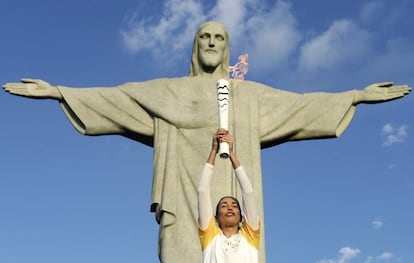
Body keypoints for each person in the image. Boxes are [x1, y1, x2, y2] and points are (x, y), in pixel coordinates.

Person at [2, 21, 411, 263]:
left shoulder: (248, 96)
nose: (212, 43)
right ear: (195, 47)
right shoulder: (166, 92)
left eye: (219, 37)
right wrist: (58, 91)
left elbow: (300, 108)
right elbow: (117, 98)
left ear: (227, 46)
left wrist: (354, 95)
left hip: (235, 198)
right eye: (204, 37)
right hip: (183, 201)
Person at [198, 129, 259, 263]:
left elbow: (248, 193)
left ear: (241, 216)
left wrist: (231, 153)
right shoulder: (210, 236)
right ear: (216, 217)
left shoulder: (250, 236)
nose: (230, 208)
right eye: (224, 206)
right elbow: (202, 190)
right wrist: (214, 150)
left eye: (234, 206)